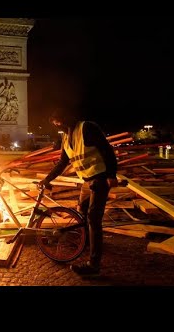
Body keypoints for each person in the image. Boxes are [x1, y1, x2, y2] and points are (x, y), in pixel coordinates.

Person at [39, 108, 118, 277]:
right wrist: (47, 179)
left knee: (93, 218)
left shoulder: (87, 128)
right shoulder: (66, 137)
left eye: (58, 121)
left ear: (66, 117)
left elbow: (107, 150)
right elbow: (62, 162)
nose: (58, 125)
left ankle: (93, 265)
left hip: (100, 178)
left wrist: (112, 174)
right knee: (81, 214)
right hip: (86, 181)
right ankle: (86, 244)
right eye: (55, 124)